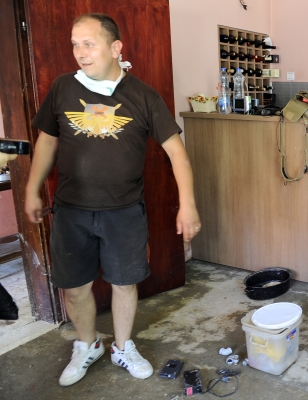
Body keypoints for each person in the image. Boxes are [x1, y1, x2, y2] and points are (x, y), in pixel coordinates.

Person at [24, 13, 201, 387]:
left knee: (124, 283)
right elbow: (47, 143)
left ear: (115, 47)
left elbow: (177, 153)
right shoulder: (63, 87)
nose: (80, 52)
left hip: (124, 211)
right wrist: (32, 189)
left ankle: (122, 346)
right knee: (75, 287)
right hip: (71, 210)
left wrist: (187, 203)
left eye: (89, 44)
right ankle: (87, 345)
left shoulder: (142, 95)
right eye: (75, 44)